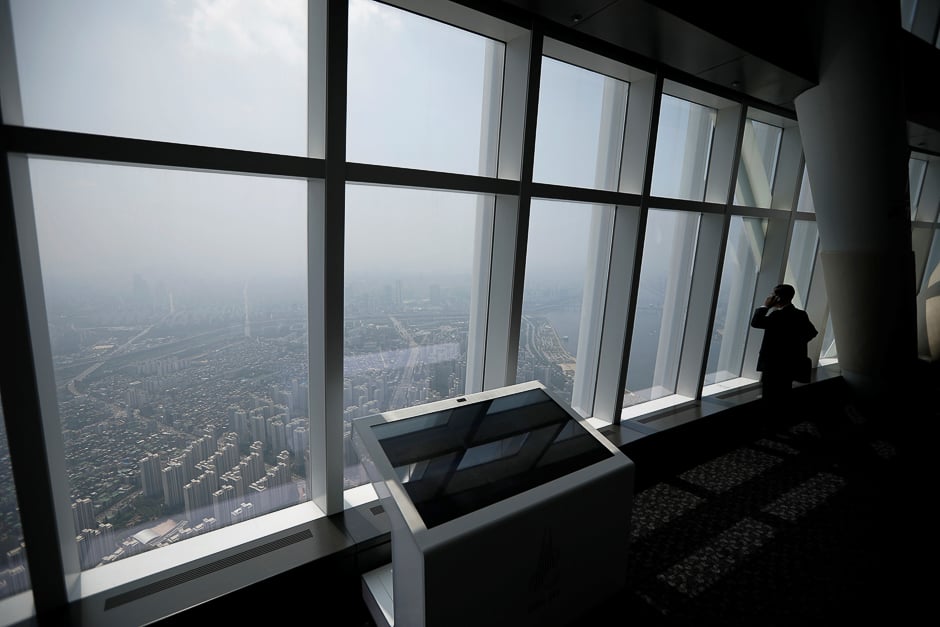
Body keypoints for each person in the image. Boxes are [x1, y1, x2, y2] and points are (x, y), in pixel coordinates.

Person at [750, 284, 818, 405]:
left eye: (773, 295)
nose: (770, 297)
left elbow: (756, 322)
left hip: (773, 364)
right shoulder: (801, 314)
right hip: (790, 363)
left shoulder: (777, 315)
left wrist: (765, 306)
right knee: (784, 393)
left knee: (770, 396)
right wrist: (795, 345)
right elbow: (812, 333)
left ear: (778, 298)